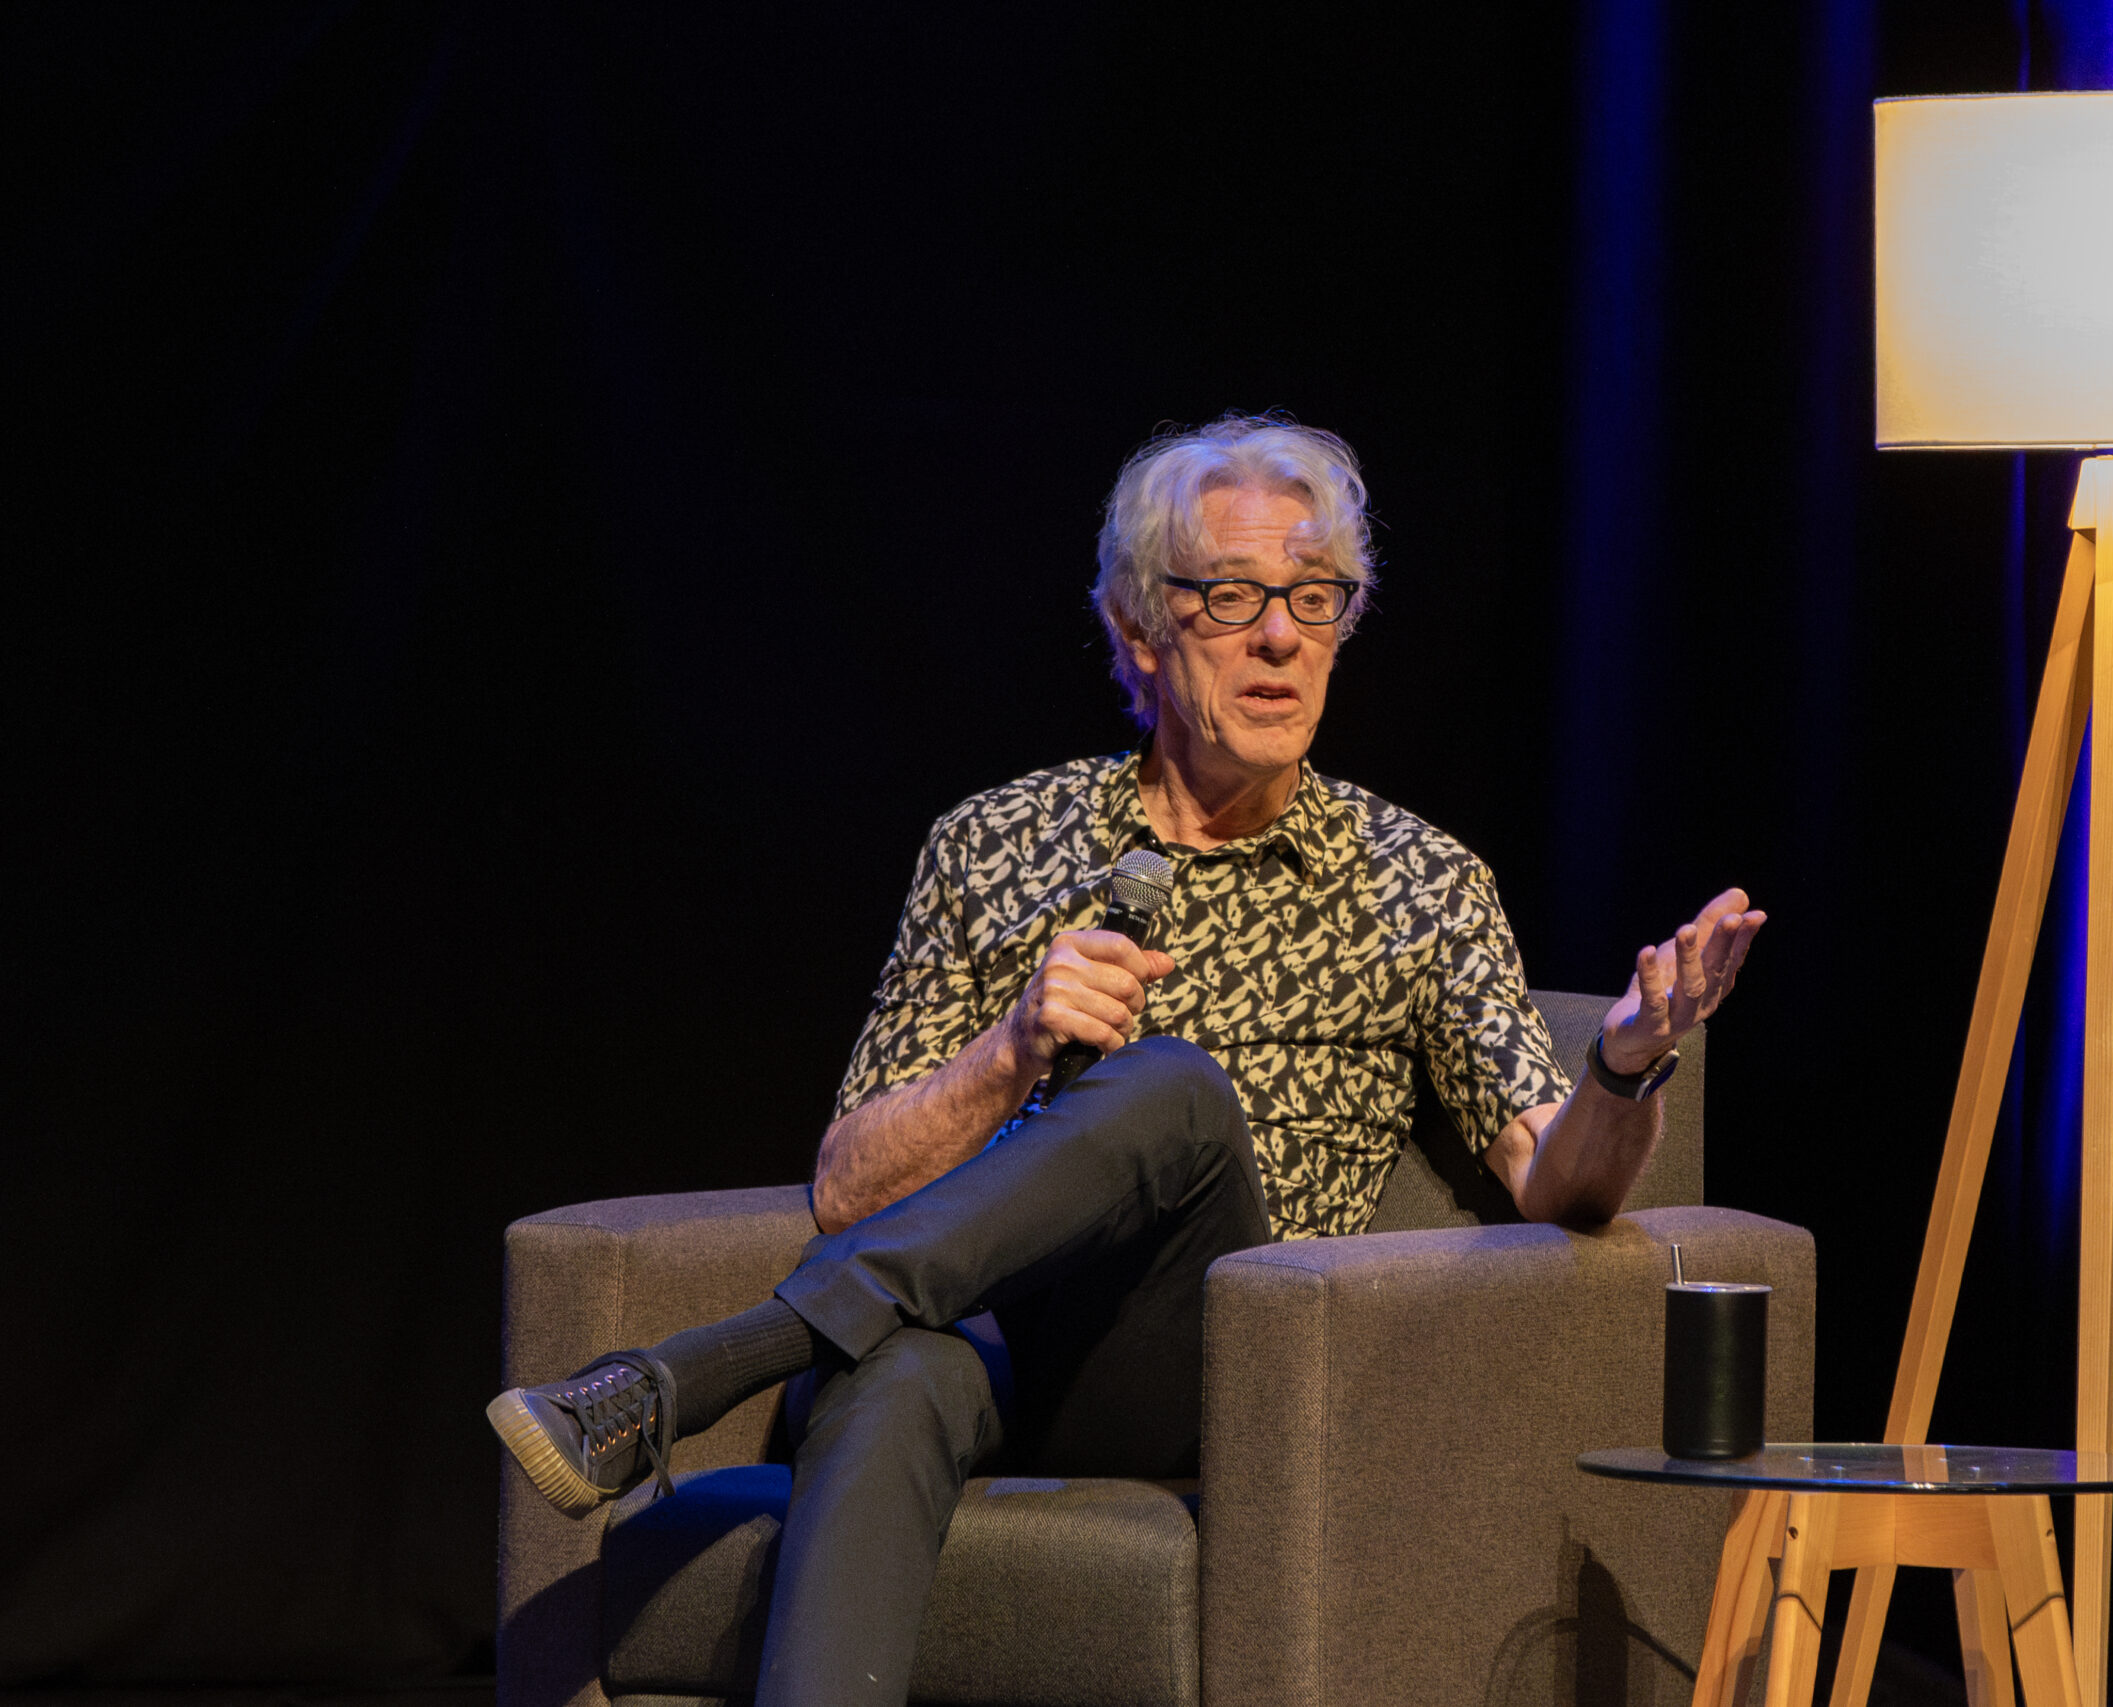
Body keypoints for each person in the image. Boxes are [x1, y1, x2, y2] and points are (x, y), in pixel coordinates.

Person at [486, 415, 1766, 1705]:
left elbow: (1555, 1181)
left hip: (1212, 1366)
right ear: (1139, 631)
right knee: (899, 1367)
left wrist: (1622, 1068)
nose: (1281, 637)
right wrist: (1012, 1047)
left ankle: (705, 1369)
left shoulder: (1416, 880)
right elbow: (848, 1188)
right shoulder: (995, 844)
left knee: (1171, 1088)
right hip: (979, 1335)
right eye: (1233, 597)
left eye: (1314, 597)